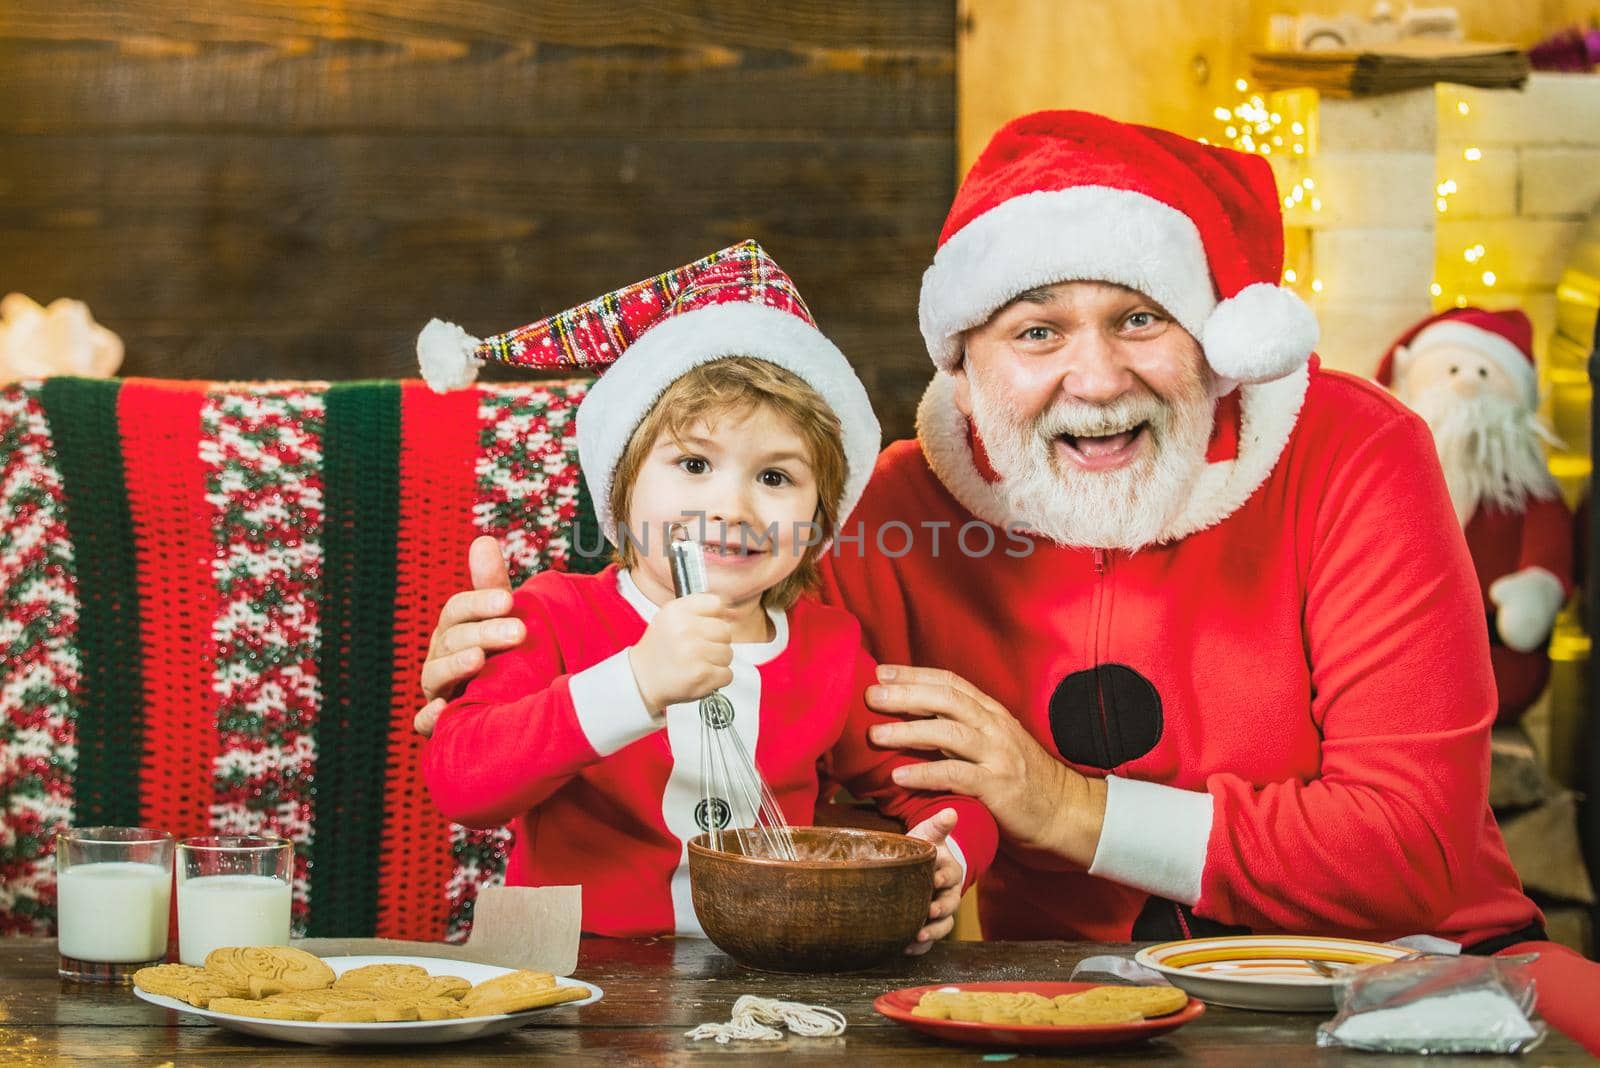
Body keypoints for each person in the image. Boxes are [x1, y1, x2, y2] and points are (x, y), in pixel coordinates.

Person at [417, 114, 1600, 1051]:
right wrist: (521, 666)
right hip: (1081, 1007)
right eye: (1035, 331)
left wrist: (1062, 807)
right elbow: (844, 767)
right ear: (965, 356)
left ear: (1214, 337)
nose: (1093, 377)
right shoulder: (896, 509)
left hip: (1416, 971)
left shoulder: (1350, 451)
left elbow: (1405, 854)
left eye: (1140, 317)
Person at [414, 241, 997, 947]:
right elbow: (461, 782)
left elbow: (941, 793)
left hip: (762, 977)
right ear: (621, 488)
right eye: (694, 463)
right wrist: (634, 684)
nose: (732, 508)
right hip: (569, 972)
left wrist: (948, 858)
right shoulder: (557, 616)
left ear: (820, 517)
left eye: (776, 478)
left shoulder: (828, 650)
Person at [1375, 307, 1574, 722]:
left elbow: (1550, 547)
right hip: (1396, 664)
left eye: (1484, 373)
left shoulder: (1526, 495)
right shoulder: (1390, 483)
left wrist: (1537, 588)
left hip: (1495, 667)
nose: (1465, 384)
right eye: (1450, 369)